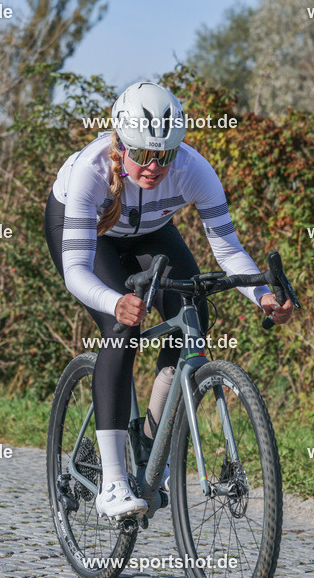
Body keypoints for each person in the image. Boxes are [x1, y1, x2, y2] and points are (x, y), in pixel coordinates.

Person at [44, 82, 293, 520]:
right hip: (92, 236)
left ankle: (148, 438)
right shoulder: (90, 171)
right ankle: (114, 482)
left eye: (166, 155)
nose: (155, 166)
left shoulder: (195, 169)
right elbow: (76, 272)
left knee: (191, 316)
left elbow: (228, 249)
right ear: (120, 145)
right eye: (142, 154)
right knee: (123, 328)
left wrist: (263, 295)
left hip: (151, 231)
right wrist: (115, 301)